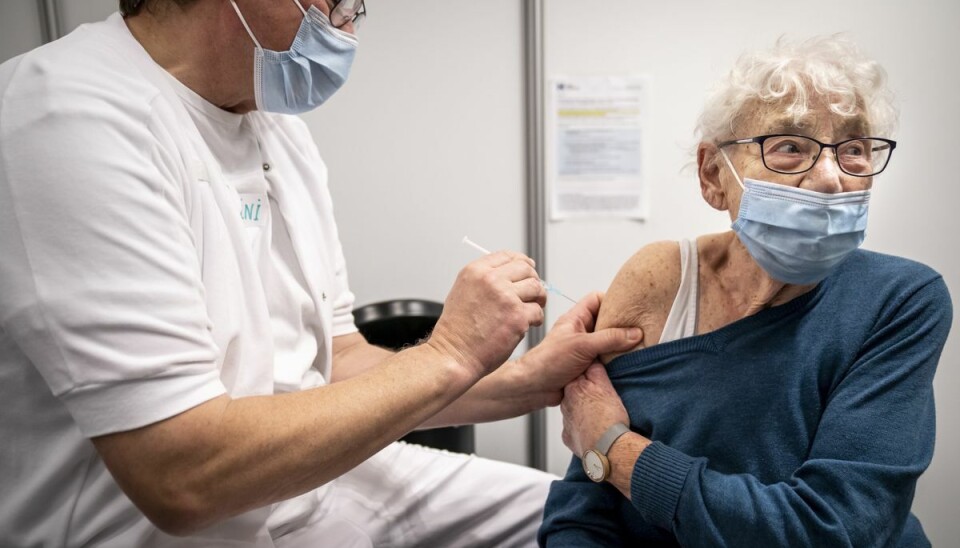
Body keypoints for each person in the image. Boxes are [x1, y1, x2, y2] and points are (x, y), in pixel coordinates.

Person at [0, 1, 643, 546]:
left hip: (304, 490)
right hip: (162, 527)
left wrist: (528, 381)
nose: (344, 29)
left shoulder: (278, 132)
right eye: (330, 1)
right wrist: (449, 352)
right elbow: (182, 474)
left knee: (580, 516)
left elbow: (336, 361)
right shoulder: (68, 119)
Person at [539, 35, 952, 547]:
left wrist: (614, 447)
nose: (829, 179)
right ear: (714, 174)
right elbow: (584, 509)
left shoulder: (899, 301)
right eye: (788, 147)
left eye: (854, 150)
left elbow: (830, 531)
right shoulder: (661, 281)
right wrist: (601, 454)